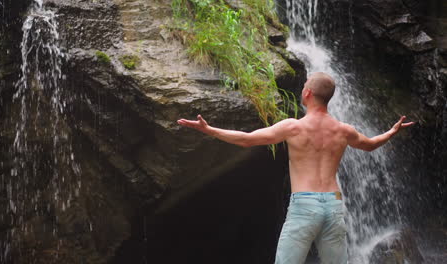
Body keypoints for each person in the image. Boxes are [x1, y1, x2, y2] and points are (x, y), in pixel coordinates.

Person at [176, 72, 414, 264]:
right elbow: (371, 145)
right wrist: (392, 131)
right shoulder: (344, 130)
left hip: (304, 204)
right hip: (333, 204)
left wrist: (209, 130)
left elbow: (247, 139)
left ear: (308, 93)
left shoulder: (294, 127)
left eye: (303, 88)